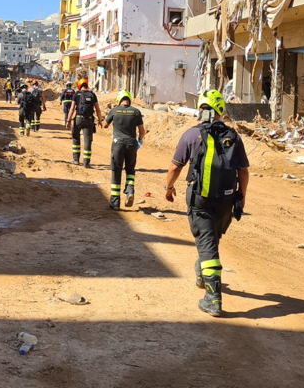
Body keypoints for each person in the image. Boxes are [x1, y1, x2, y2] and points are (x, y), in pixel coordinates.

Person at [164, 90, 250, 317]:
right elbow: (243, 171)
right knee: (211, 240)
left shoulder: (191, 135)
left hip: (200, 199)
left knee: (207, 243)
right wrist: (241, 196)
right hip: (226, 200)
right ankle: (203, 270)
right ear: (220, 111)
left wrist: (169, 188)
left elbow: (175, 167)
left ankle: (213, 299)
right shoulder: (234, 136)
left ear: (201, 109)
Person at [102, 90, 145, 210]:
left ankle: (115, 203)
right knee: (130, 169)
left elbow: (104, 125)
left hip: (118, 145)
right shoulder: (136, 112)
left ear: (118, 100)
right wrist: (139, 141)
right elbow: (142, 132)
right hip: (131, 145)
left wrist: (110, 113)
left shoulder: (114, 111)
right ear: (129, 99)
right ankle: (130, 190)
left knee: (116, 171)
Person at [66, 78, 103, 167]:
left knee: (76, 138)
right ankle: (86, 163)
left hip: (78, 119)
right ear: (87, 85)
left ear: (79, 85)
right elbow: (97, 109)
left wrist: (68, 120)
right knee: (88, 141)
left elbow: (71, 108)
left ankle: (76, 160)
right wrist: (100, 120)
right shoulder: (92, 95)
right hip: (89, 120)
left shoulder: (76, 94)